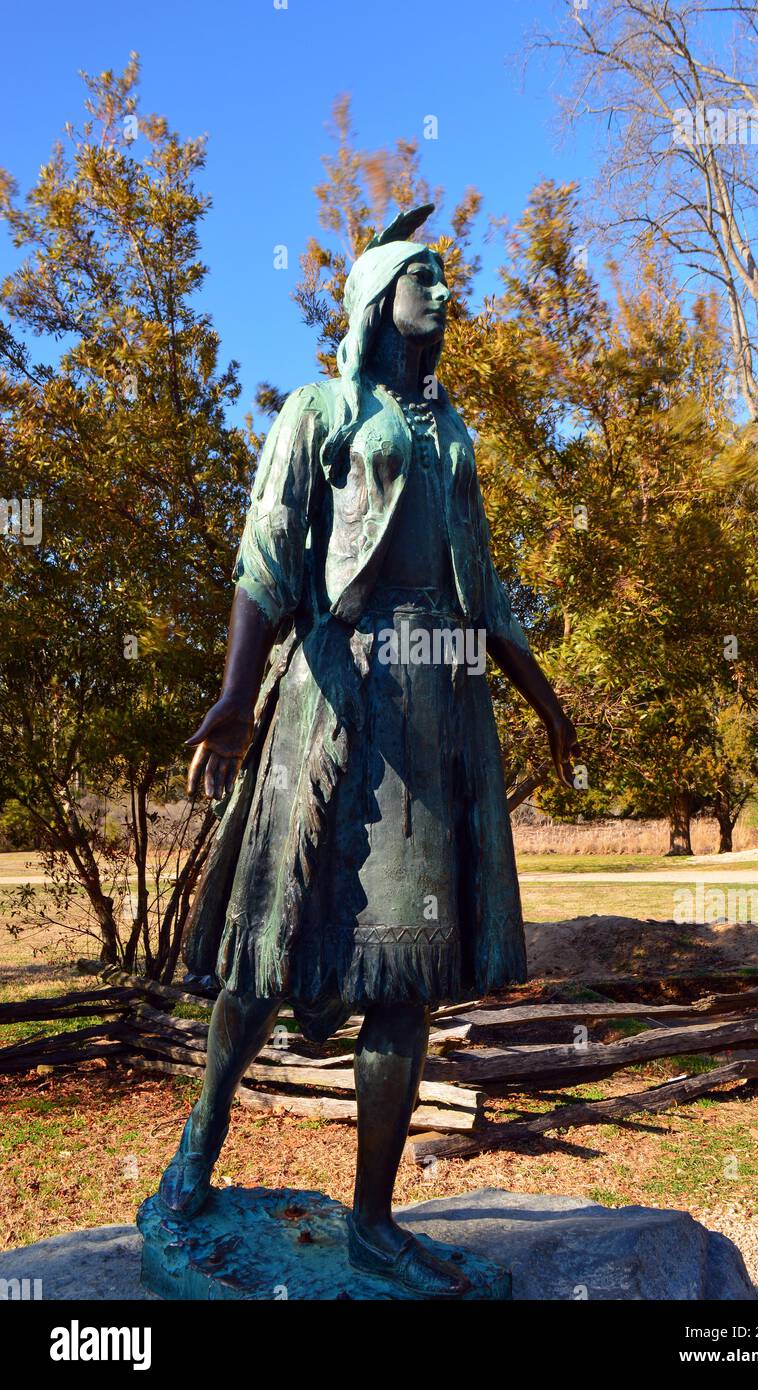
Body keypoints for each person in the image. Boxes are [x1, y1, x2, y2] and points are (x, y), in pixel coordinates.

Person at [158, 204, 578, 1298]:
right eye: (423, 281)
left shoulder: (453, 437)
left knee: (408, 974)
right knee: (271, 952)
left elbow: (483, 594)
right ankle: (195, 1154)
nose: (444, 297)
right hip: (332, 700)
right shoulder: (321, 410)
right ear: (377, 301)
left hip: (436, 712)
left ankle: (373, 1224)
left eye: (446, 282)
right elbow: (266, 554)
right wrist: (237, 693)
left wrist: (546, 702)